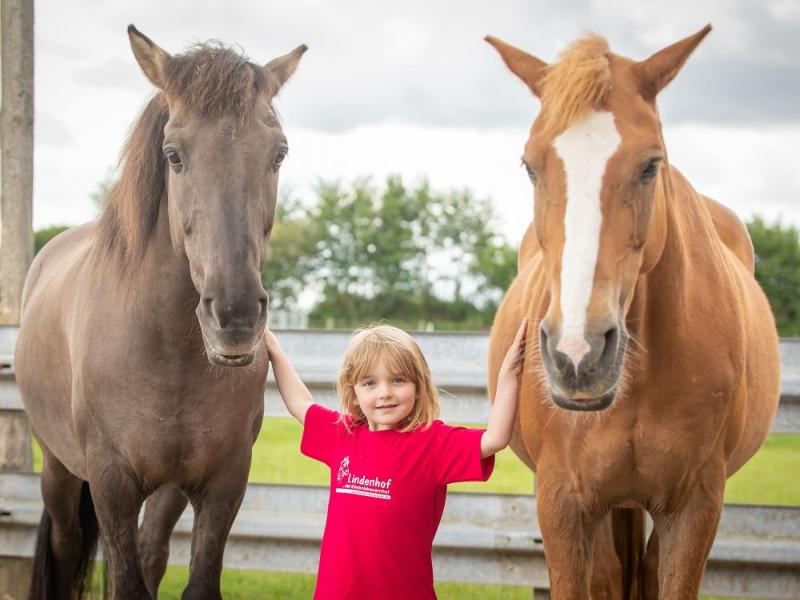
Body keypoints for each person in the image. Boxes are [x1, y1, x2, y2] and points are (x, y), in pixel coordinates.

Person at [264, 319, 527, 599]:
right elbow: (299, 403)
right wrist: (274, 349)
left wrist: (508, 374)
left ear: (418, 386)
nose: (384, 393)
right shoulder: (342, 434)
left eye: (398, 380)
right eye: (370, 383)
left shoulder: (433, 443)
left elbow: (495, 439)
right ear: (354, 392)